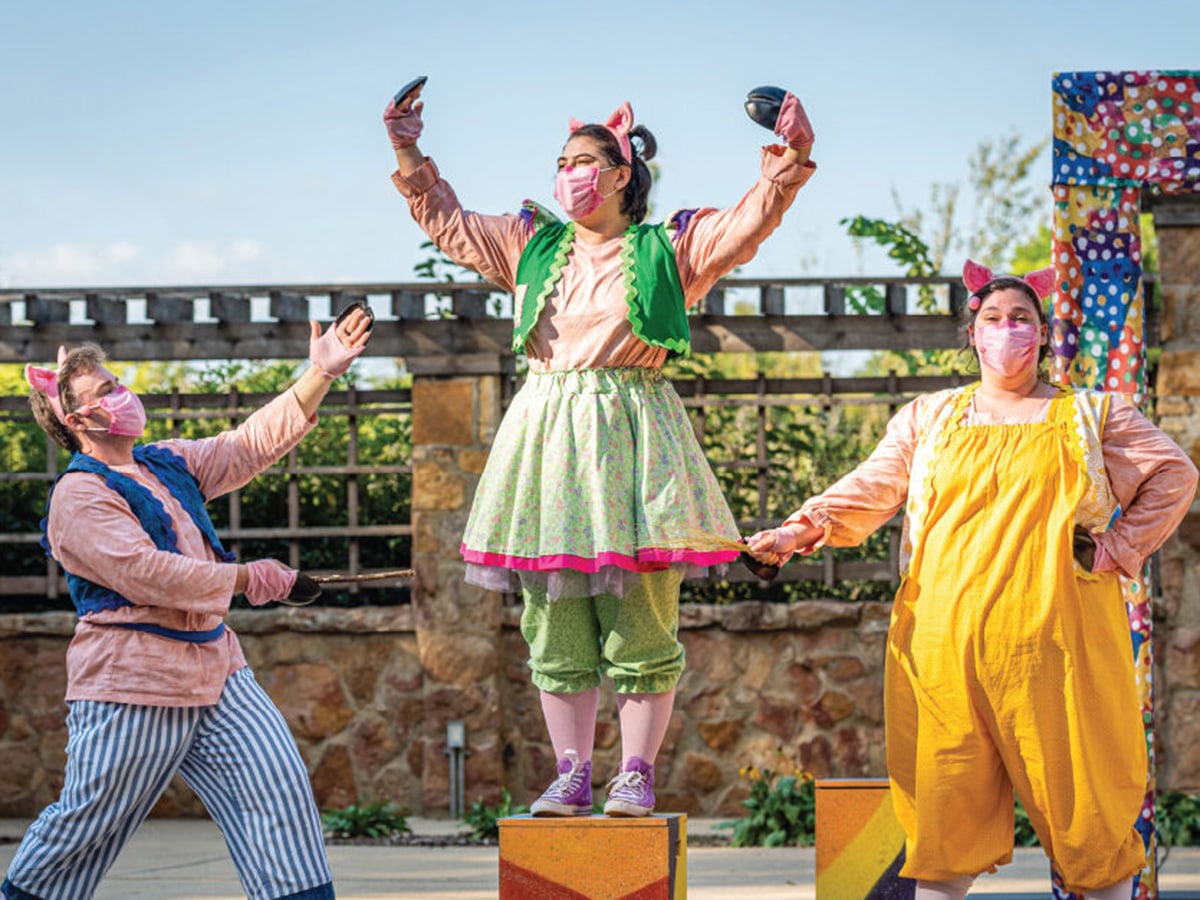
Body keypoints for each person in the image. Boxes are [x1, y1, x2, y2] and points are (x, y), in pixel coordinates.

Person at [383, 84, 816, 816]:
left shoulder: (667, 247)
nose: (568, 174)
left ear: (621, 175)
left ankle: (636, 771)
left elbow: (745, 226)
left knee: (642, 611)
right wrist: (406, 148)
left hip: (634, 437)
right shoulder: (532, 245)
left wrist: (788, 160)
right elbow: (447, 222)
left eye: (584, 161)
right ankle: (573, 772)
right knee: (552, 616)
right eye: (562, 162)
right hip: (548, 440)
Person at [747, 259, 1198, 899]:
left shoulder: (1094, 418)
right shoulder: (927, 418)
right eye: (994, 319)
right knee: (941, 841)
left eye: (1021, 319)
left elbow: (1174, 475)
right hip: (943, 657)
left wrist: (1115, 549)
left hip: (1061, 653)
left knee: (1092, 833)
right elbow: (871, 488)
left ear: (1042, 336)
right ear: (973, 333)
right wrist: (797, 531)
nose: (1007, 329)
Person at [2, 307, 371, 900]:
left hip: (218, 668)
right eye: (107, 390)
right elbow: (147, 574)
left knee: (276, 789)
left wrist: (320, 373)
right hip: (132, 682)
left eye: (117, 383)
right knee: (85, 826)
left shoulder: (164, 463)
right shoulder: (78, 496)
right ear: (78, 418)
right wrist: (249, 578)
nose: (123, 394)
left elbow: (245, 446)